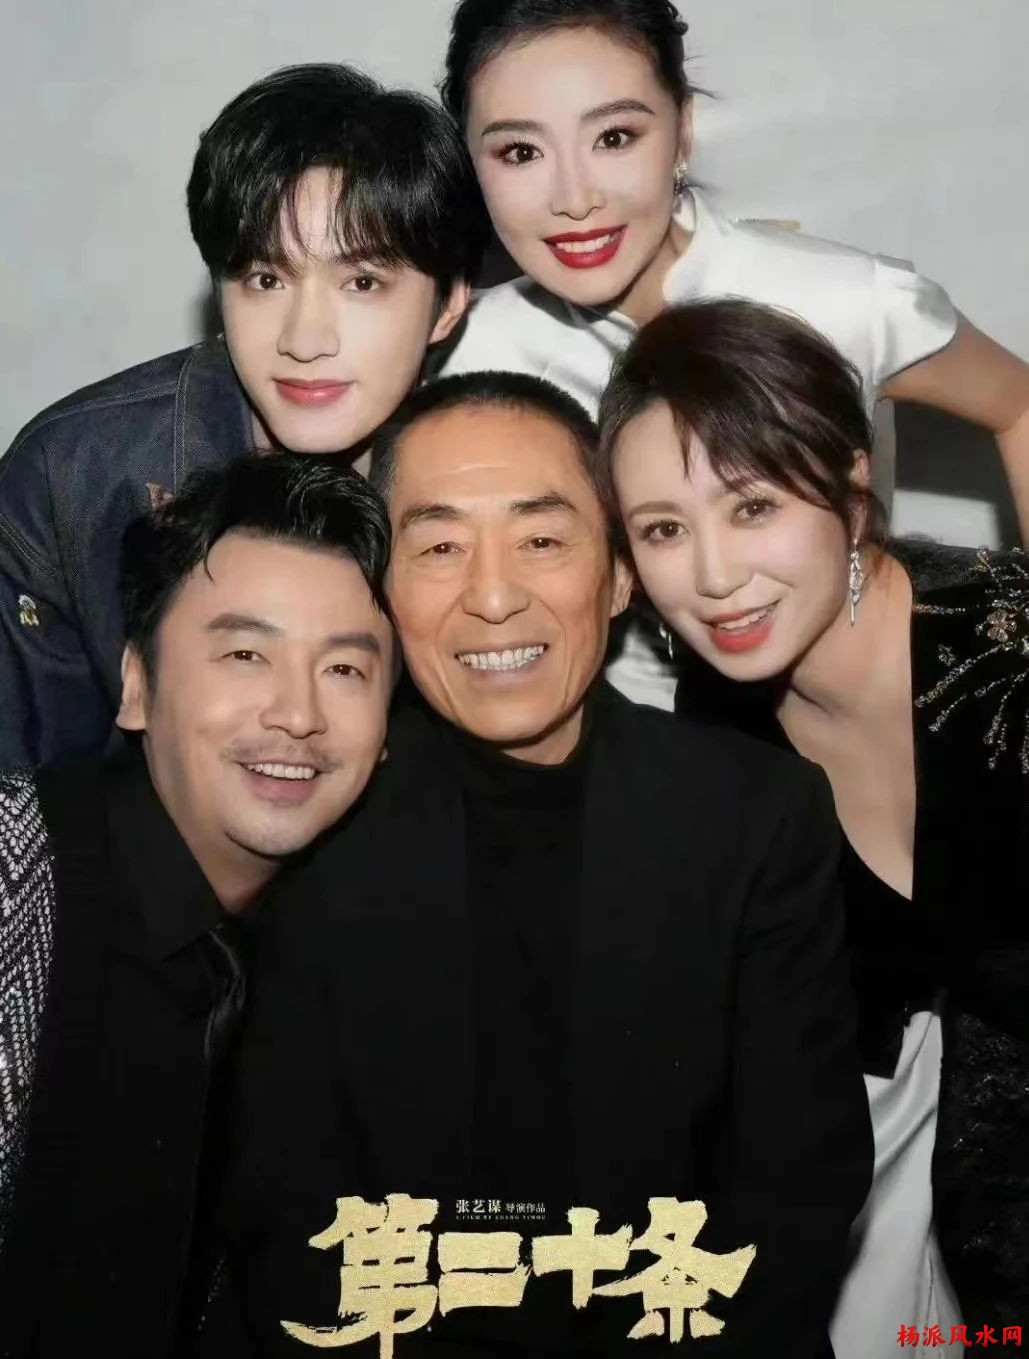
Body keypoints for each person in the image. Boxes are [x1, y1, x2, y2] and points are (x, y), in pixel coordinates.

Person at [225, 372, 871, 1358]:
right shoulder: (315, 812)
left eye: (540, 540)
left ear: (617, 577)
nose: (493, 597)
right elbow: (285, 1208)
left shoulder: (751, 816)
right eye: (439, 547)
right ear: (382, 590)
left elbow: (793, 1193)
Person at [436, 0, 1029, 709]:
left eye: (614, 137)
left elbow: (1017, 403)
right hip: (622, 742)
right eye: (519, 152)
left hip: (857, 709)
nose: (574, 197)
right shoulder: (466, 355)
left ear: (681, 132)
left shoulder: (839, 299)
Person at [599, 298, 1029, 1352]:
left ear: (849, 480)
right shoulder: (724, 726)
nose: (713, 575)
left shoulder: (1006, 661)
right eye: (663, 529)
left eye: (752, 506)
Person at [0, 451, 396, 1358]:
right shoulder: (17, 874)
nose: (298, 713)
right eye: (246, 654)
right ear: (136, 684)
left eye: (345, 669)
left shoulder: (320, 968)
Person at [0, 61, 486, 767]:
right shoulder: (76, 472)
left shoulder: (493, 481)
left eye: (361, 282)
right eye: (265, 278)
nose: (304, 339)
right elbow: (22, 788)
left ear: (447, 303)